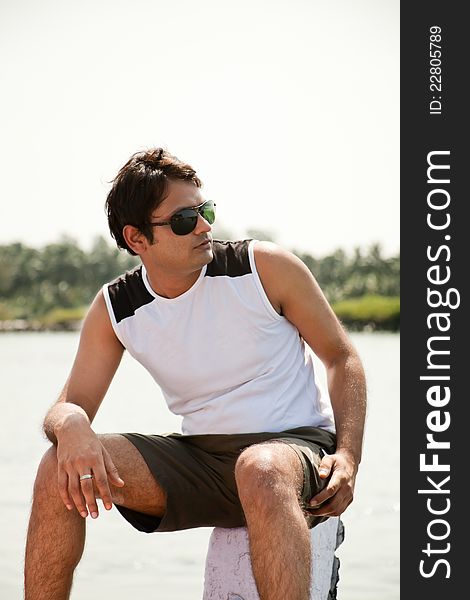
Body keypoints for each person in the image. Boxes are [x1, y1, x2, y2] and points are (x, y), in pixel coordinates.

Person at [24, 148, 367, 600]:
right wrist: (70, 423)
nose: (205, 226)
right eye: (184, 219)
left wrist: (348, 457)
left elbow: (343, 358)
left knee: (259, 468)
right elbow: (67, 406)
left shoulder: (264, 268)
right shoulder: (117, 309)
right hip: (204, 461)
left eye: (205, 211)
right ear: (138, 238)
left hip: (293, 450)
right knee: (56, 469)